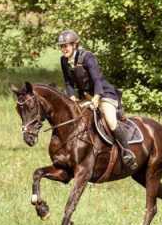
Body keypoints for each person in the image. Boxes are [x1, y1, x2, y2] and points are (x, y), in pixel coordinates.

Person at [58, 30, 137, 169]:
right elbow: (68, 83)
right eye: (62, 46)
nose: (64, 49)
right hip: (86, 97)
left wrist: (96, 98)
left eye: (66, 46)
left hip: (104, 94)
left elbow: (97, 79)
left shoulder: (88, 57)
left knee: (111, 122)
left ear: (75, 45)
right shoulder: (64, 60)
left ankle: (127, 152)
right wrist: (71, 96)